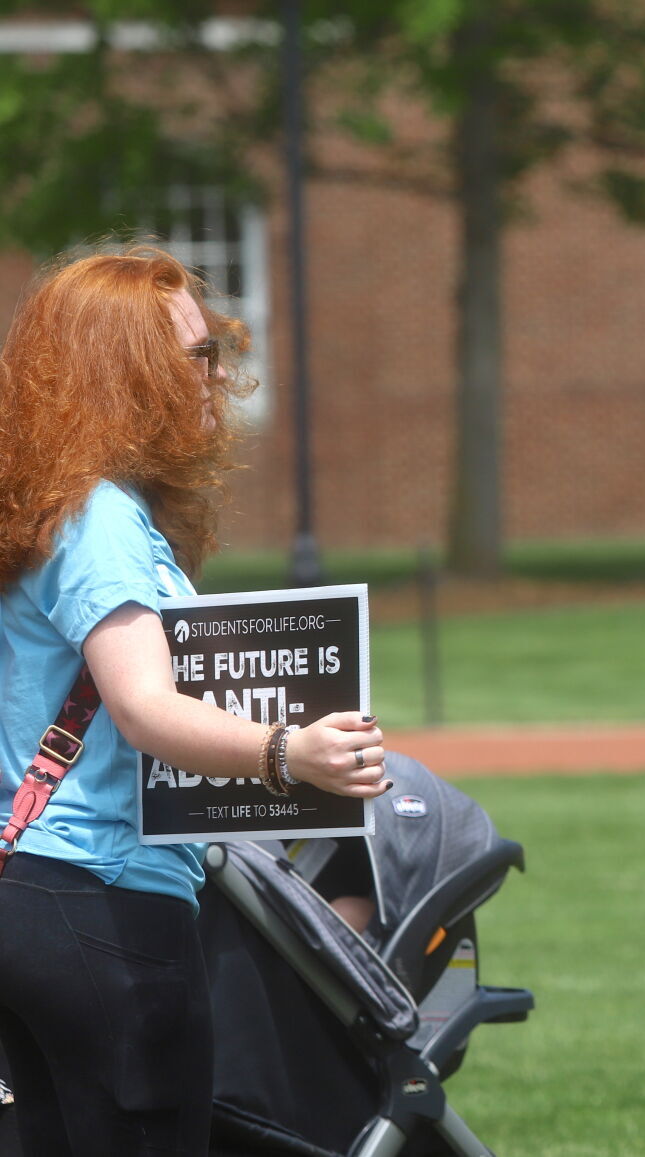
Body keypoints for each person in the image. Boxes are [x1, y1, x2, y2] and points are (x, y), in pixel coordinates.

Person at [0, 246, 392, 1155]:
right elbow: (143, 703)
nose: (218, 373)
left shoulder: (46, 506)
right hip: (104, 905)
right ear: (123, 370)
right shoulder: (101, 518)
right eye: (196, 356)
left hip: (29, 896)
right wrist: (291, 752)